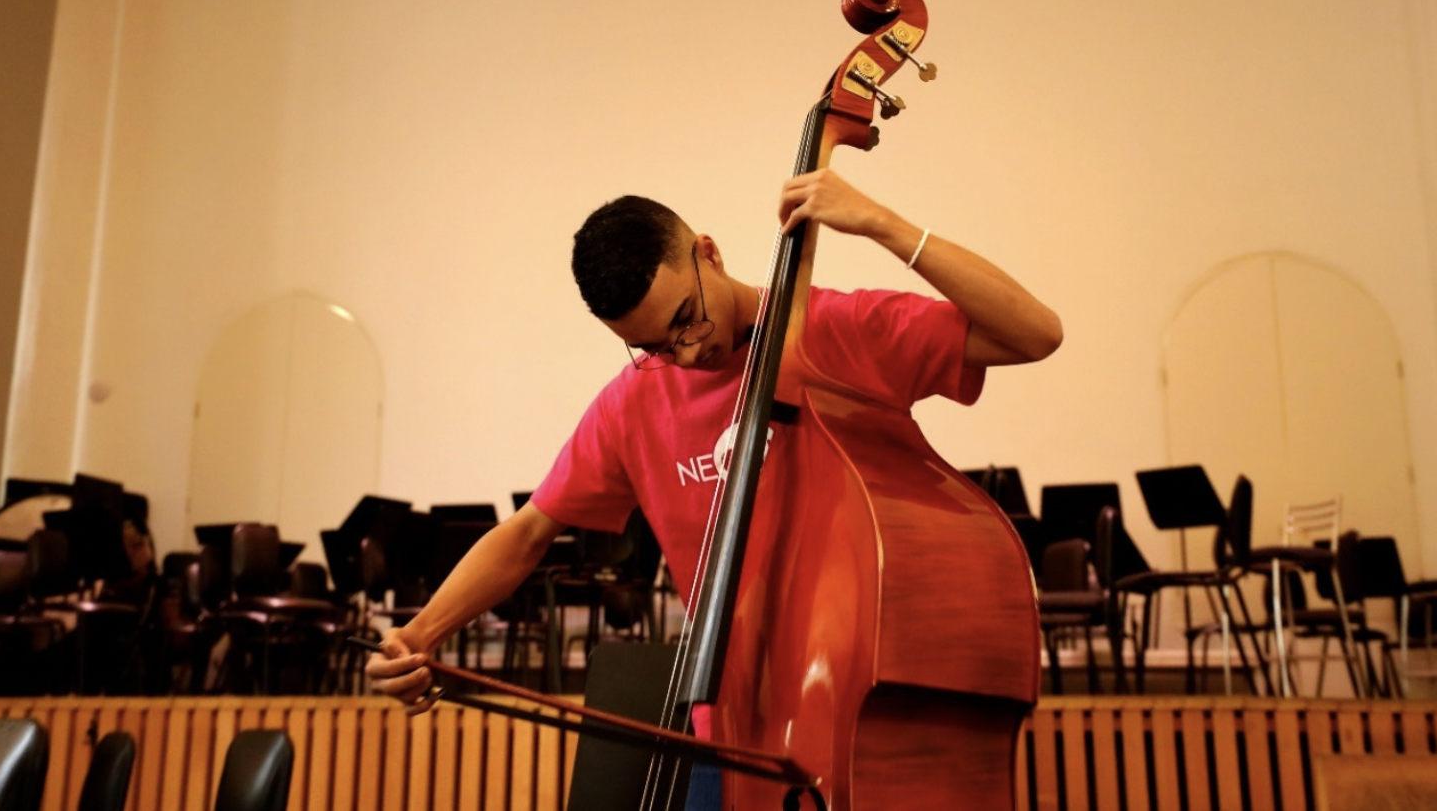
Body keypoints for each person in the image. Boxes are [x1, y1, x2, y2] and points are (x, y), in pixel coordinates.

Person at [365, 167, 1061, 802]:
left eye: (685, 319)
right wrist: (421, 635)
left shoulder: (836, 331)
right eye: (654, 346)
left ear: (709, 252)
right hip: (723, 729)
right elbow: (527, 535)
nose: (687, 351)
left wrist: (884, 224)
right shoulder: (635, 401)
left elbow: (1035, 333)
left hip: (858, 714)